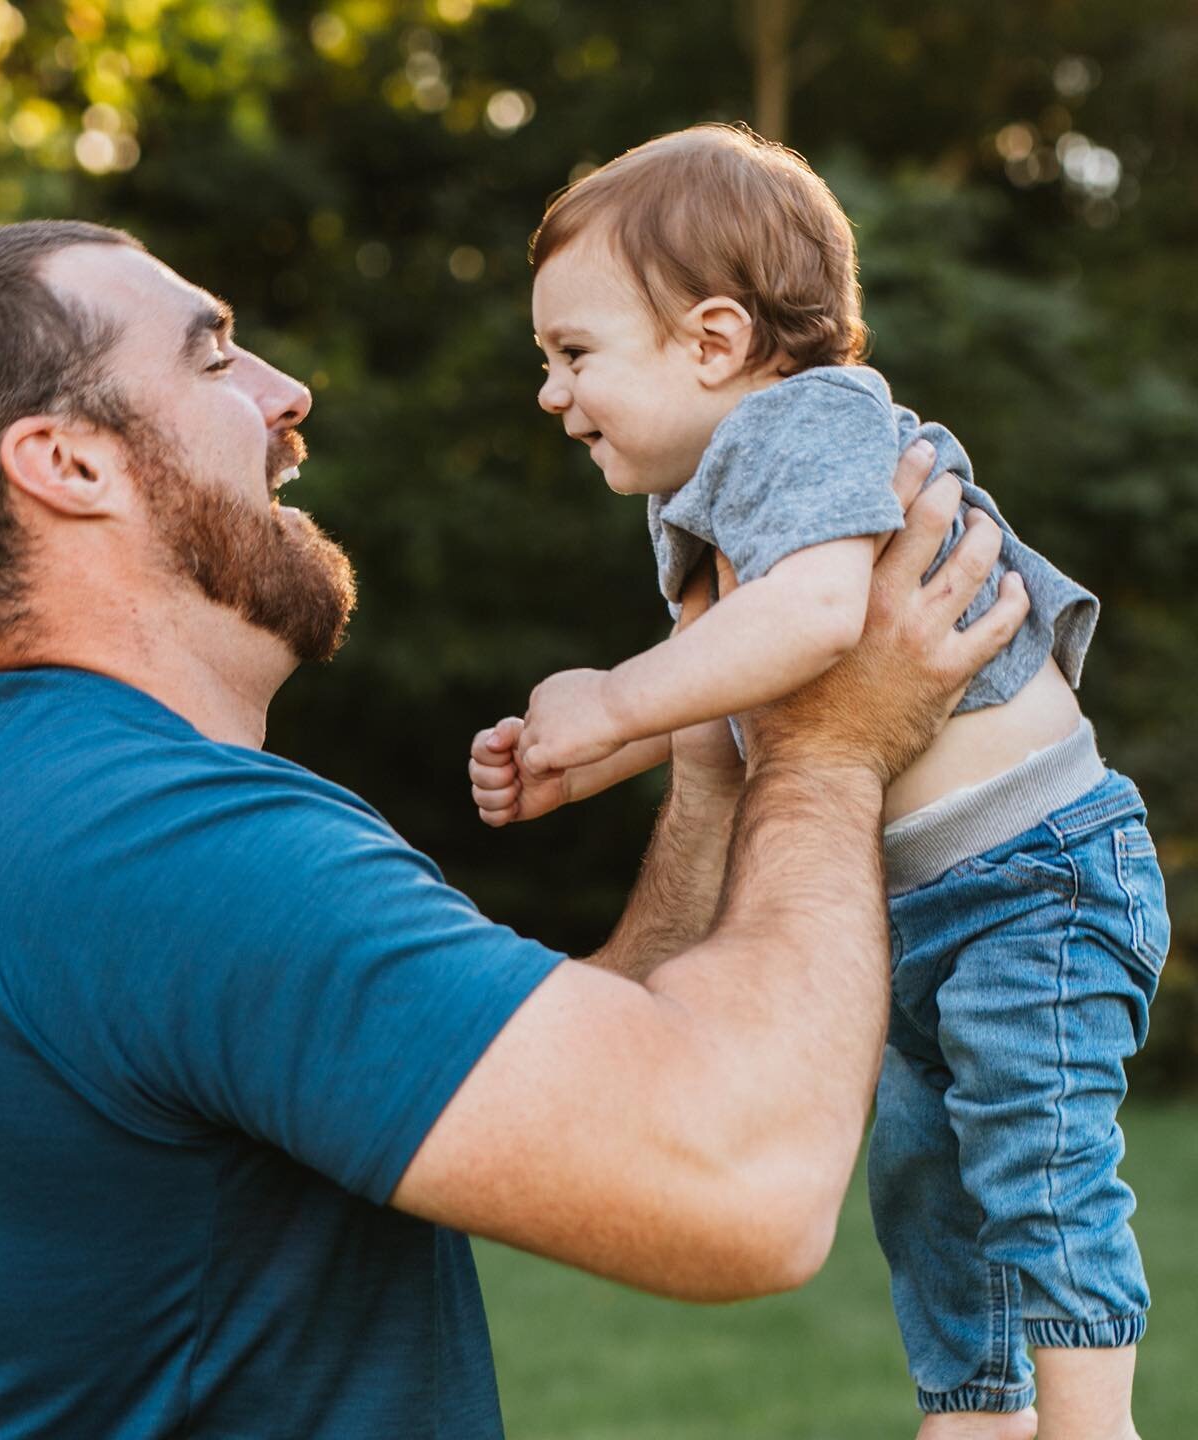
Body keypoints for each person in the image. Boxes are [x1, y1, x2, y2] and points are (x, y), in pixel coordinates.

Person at [0, 219, 1026, 1440]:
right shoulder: (151, 845)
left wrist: (717, 762)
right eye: (216, 359)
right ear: (69, 465)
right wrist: (833, 746)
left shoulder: (65, 804)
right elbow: (742, 1182)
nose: (290, 395)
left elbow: (569, 1085)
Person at [470, 125, 1169, 1440]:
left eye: (574, 355)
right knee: (923, 1176)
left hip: (1038, 873)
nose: (555, 395)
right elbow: (728, 680)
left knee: (1033, 1151)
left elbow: (812, 619)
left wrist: (614, 697)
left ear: (716, 343)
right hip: (924, 897)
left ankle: (1091, 1423)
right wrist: (593, 749)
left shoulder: (806, 421)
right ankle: (975, 1406)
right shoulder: (704, 486)